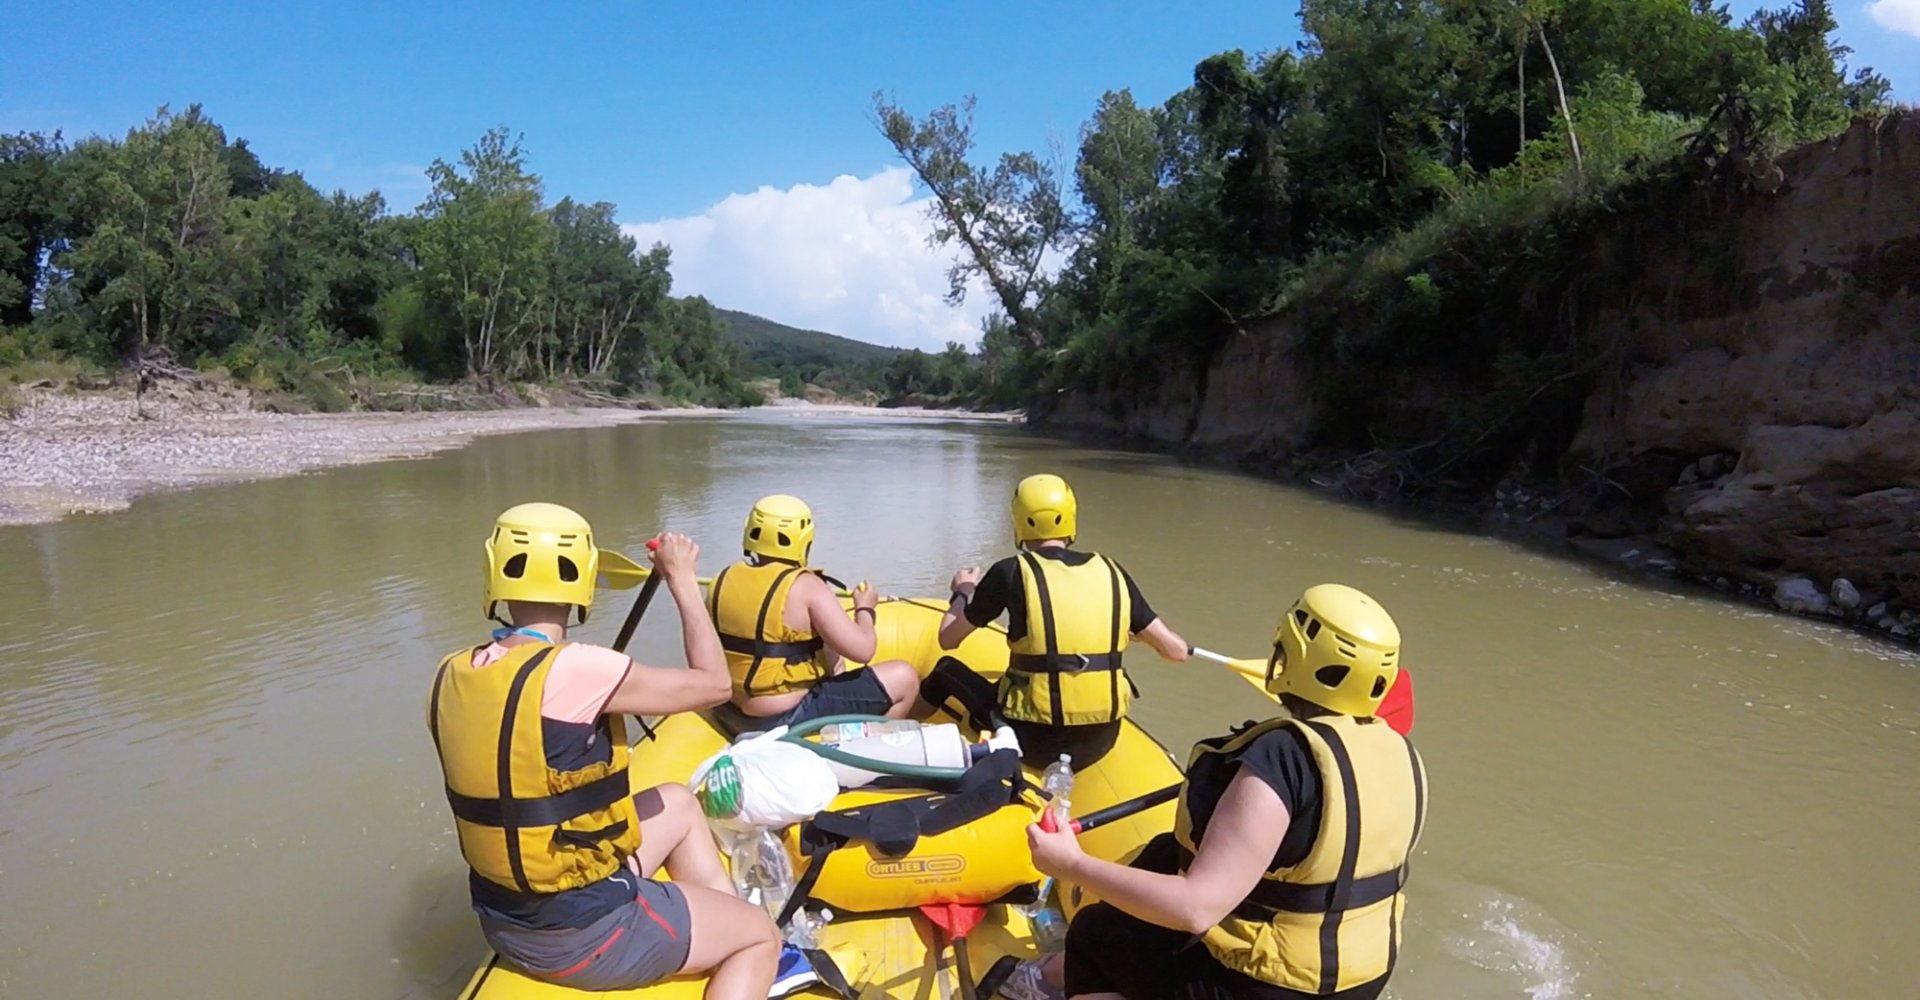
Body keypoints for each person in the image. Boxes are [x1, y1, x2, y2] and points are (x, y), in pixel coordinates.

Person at [426, 502, 791, 998]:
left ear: (495, 573)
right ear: (583, 580)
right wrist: (682, 577)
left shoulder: (451, 672)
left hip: (502, 920)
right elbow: (715, 684)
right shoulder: (582, 670)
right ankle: (733, 940)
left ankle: (707, 924)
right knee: (759, 936)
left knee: (679, 803)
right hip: (585, 934)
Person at [1016, 583, 1428, 1000]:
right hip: (1360, 981)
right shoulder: (1401, 751)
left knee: (1094, 934)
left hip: (1271, 988)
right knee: (1163, 854)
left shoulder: (1283, 755)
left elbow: (1196, 909)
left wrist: (1071, 864)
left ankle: (1050, 978)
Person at [919, 473, 1190, 768]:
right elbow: (1175, 652)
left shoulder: (1010, 572)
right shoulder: (1112, 571)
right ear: (1071, 518)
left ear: (1018, 520)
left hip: (1032, 741)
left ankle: (902, 739)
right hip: (1101, 741)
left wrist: (963, 592)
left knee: (945, 670)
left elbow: (948, 638)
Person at [708, 494, 922, 736]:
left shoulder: (722, 578)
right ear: (805, 540)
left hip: (728, 712)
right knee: (904, 677)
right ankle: (869, 754)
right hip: (781, 719)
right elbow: (863, 651)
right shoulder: (807, 586)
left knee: (830, 660)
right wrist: (865, 608)